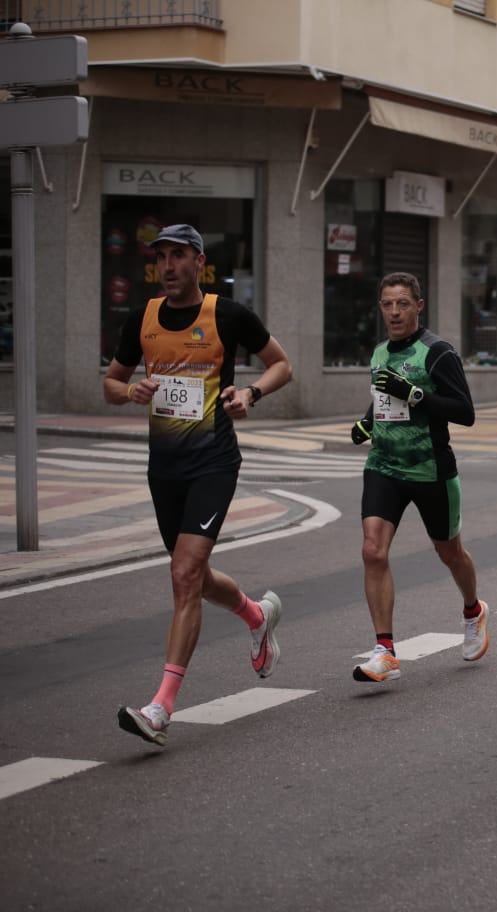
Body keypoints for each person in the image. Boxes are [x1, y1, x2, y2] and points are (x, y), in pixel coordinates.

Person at [102, 224, 293, 746]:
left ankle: (160, 708)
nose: (167, 265)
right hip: (163, 468)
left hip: (212, 462)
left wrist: (250, 394)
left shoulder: (227, 314)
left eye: (177, 255)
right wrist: (129, 390)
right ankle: (258, 616)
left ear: (198, 261)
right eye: (161, 256)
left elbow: (282, 365)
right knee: (196, 576)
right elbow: (111, 382)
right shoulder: (142, 318)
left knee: (184, 574)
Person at [347, 272, 488, 683]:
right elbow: (382, 399)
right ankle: (385, 651)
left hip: (430, 470)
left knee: (451, 554)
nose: (394, 312)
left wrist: (416, 394)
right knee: (373, 550)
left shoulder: (437, 353)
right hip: (384, 466)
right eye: (387, 304)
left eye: (402, 303)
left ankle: (473, 610)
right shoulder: (378, 354)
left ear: (418, 306)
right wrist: (367, 423)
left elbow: (465, 412)